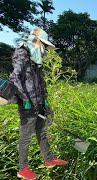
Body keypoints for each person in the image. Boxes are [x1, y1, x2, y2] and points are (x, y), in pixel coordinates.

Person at [9, 28, 68, 180]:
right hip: (27, 104)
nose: (45, 49)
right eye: (44, 45)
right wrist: (25, 100)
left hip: (39, 102)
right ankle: (23, 169)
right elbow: (15, 78)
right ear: (36, 41)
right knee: (26, 136)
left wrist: (45, 101)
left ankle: (48, 159)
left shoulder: (36, 59)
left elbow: (40, 83)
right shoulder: (22, 53)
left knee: (42, 132)